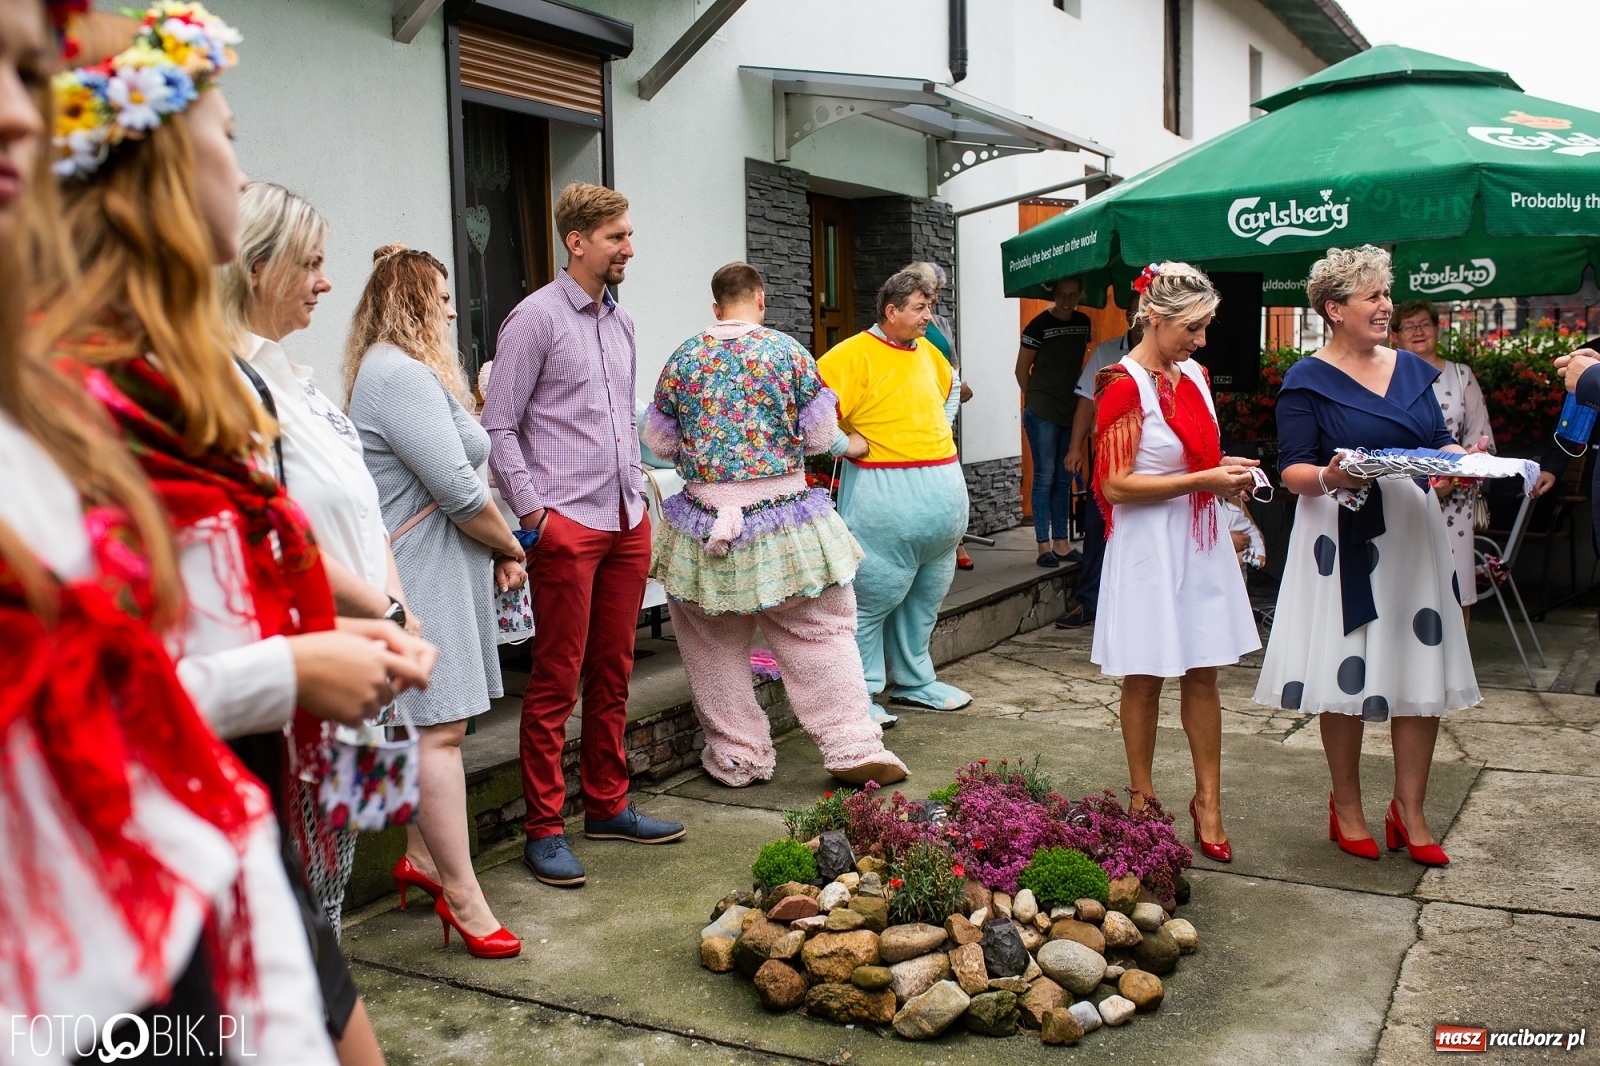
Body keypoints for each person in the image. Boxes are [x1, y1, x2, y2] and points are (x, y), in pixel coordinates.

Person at [33, 3, 436, 1059]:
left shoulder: (176, 384)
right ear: (160, 164)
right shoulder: (74, 404)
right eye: (225, 133)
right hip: (138, 875)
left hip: (235, 815)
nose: (236, 156)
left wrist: (353, 610)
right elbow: (86, 691)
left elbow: (241, 560)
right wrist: (291, 665)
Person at [219, 181, 422, 935]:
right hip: (304, 673)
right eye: (310, 265)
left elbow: (361, 513)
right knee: (297, 899)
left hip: (357, 653)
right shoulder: (230, 384)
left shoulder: (296, 382)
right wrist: (386, 611)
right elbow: (267, 538)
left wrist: (396, 605)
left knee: (329, 875)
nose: (326, 282)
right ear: (255, 268)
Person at [483, 182, 685, 891]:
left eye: (628, 235)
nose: (630, 247)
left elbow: (621, 423)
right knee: (554, 681)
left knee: (614, 672)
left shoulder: (621, 324)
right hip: (567, 523)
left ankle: (606, 804)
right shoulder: (532, 320)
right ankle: (544, 829)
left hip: (627, 517)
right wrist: (536, 516)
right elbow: (498, 426)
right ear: (577, 241)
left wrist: (641, 500)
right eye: (617, 237)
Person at [642, 262, 908, 787]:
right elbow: (819, 437)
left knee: (711, 645)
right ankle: (852, 744)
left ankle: (739, 754)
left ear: (716, 308)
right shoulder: (788, 352)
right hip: (784, 517)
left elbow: (660, 444)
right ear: (760, 301)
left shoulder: (684, 358)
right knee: (820, 633)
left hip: (705, 521)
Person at [1255, 245, 1479, 867]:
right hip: (1341, 533)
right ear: (1334, 309)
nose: (1387, 306)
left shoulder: (1412, 370)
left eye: (1386, 294)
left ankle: (1410, 810)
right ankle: (1347, 805)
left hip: (1411, 531)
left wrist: (1467, 462)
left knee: (1418, 665)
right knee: (1343, 665)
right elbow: (1292, 469)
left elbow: (1437, 443)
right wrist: (1333, 476)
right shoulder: (1306, 379)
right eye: (1373, 297)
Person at [344, 244, 524, 958]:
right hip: (419, 570)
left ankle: (420, 857)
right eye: (443, 297)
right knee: (439, 733)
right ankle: (465, 898)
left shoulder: (400, 373)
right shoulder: (399, 377)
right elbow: (456, 488)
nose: (454, 310)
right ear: (414, 302)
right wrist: (512, 546)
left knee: (431, 731)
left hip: (441, 563)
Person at [1091, 263, 1260, 863]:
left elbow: (1196, 455)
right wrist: (1205, 478)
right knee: (1143, 674)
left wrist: (1225, 471)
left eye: (1207, 326)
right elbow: (1114, 486)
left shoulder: (1196, 375)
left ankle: (1208, 802)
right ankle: (1142, 797)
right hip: (1147, 547)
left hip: (1197, 538)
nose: (1202, 340)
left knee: (1205, 671)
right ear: (1155, 319)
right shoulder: (1122, 384)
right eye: (1193, 327)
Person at [818, 269, 971, 717]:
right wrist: (843, 445)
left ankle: (914, 678)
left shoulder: (926, 352)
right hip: (883, 507)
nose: (929, 315)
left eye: (929, 306)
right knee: (868, 604)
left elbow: (952, 389)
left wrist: (941, 427)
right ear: (892, 311)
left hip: (939, 517)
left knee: (924, 603)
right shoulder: (851, 355)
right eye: (920, 308)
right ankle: (859, 693)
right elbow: (808, 410)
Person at [1392, 300, 1494, 627]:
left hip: (1455, 500)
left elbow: (1482, 441)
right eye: (1409, 326)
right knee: (1402, 587)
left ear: (1438, 329)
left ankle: (1456, 672)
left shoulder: (1461, 376)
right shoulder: (1386, 377)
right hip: (1401, 495)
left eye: (1425, 324)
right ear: (1394, 336)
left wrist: (1454, 473)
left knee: (1456, 588)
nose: (1419, 331)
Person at [1057, 304, 1140, 629]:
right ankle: (1089, 602)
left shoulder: (1171, 355)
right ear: (1126, 316)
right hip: (1109, 455)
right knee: (1096, 528)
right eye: (1133, 310)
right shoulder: (1107, 353)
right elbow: (1086, 402)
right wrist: (1075, 447)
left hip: (1150, 461)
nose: (1138, 316)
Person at [1017, 275, 1093, 567]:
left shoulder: (1084, 323)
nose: (1066, 300)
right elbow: (1021, 370)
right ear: (1053, 293)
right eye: (1061, 293)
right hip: (1043, 411)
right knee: (1044, 476)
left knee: (1064, 478)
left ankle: (1062, 543)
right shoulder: (1038, 326)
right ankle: (1043, 546)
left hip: (1070, 409)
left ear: (1080, 295)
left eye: (1072, 294)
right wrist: (1037, 400)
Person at [904, 260, 974, 570]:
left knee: (946, 478)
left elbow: (953, 364)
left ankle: (954, 541)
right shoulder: (904, 319)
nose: (935, 296)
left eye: (937, 291)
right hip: (913, 410)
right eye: (931, 290)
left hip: (943, 408)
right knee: (920, 480)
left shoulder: (941, 322)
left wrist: (957, 388)